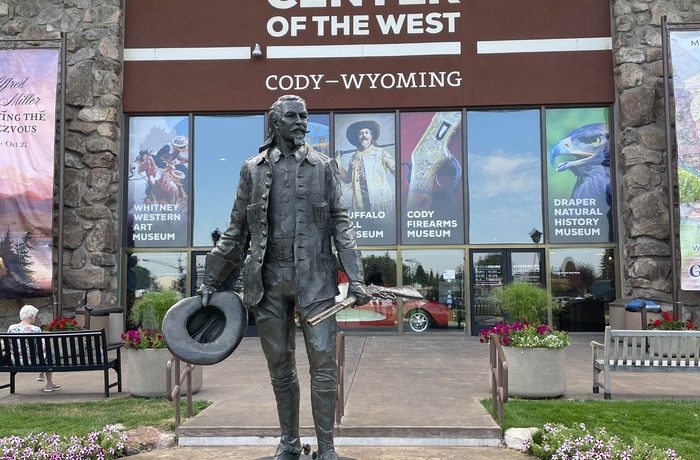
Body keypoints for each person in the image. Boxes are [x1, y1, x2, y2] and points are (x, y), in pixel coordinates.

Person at [197, 94, 371, 460]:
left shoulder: (324, 166)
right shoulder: (252, 168)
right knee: (279, 366)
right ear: (275, 122)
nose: (301, 122)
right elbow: (236, 230)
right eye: (293, 116)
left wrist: (356, 277)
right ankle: (289, 443)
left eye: (304, 116)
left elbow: (342, 223)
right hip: (268, 281)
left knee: (324, 363)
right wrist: (211, 280)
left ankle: (326, 449)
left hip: (317, 281)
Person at [335, 120, 395, 213]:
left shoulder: (380, 152)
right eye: (360, 134)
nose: (364, 136)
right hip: (360, 199)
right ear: (357, 137)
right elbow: (347, 179)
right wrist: (338, 161)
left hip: (379, 198)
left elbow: (396, 170)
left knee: (380, 225)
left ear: (371, 135)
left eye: (366, 133)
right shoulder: (354, 157)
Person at [7, 305, 61, 393]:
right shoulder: (35, 329)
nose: (35, 318)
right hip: (33, 362)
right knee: (49, 353)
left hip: (15, 361)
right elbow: (40, 348)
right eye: (35, 316)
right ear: (31, 316)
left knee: (42, 354)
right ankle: (49, 383)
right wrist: (43, 343)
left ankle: (41, 374)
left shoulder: (11, 328)